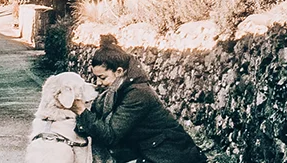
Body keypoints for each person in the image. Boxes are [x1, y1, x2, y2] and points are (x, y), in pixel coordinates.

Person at [71, 35, 207, 163]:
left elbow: (110, 136)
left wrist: (82, 111)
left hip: (170, 155)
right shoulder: (116, 90)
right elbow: (97, 119)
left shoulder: (137, 94)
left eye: (102, 77)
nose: (98, 83)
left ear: (119, 72)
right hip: (148, 150)